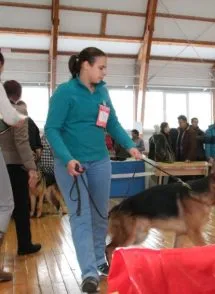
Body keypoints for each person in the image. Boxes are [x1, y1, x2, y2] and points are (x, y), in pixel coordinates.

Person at [45, 47, 141, 293]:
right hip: (72, 165)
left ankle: (100, 260)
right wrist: (67, 158)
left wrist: (130, 146)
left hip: (100, 161)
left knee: (100, 214)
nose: (104, 72)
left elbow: (112, 123)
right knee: (81, 217)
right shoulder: (65, 93)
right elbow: (52, 129)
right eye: (101, 67)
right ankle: (89, 272)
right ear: (85, 65)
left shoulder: (102, 92)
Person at [1, 80, 41, 256]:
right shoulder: (19, 111)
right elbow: (22, 142)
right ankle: (24, 244)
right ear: (18, 94)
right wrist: (31, 167)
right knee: (21, 207)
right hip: (14, 165)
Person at [0, 52, 27, 282]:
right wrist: (22, 117)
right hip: (13, 163)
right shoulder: (17, 108)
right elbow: (11, 120)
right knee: (10, 204)